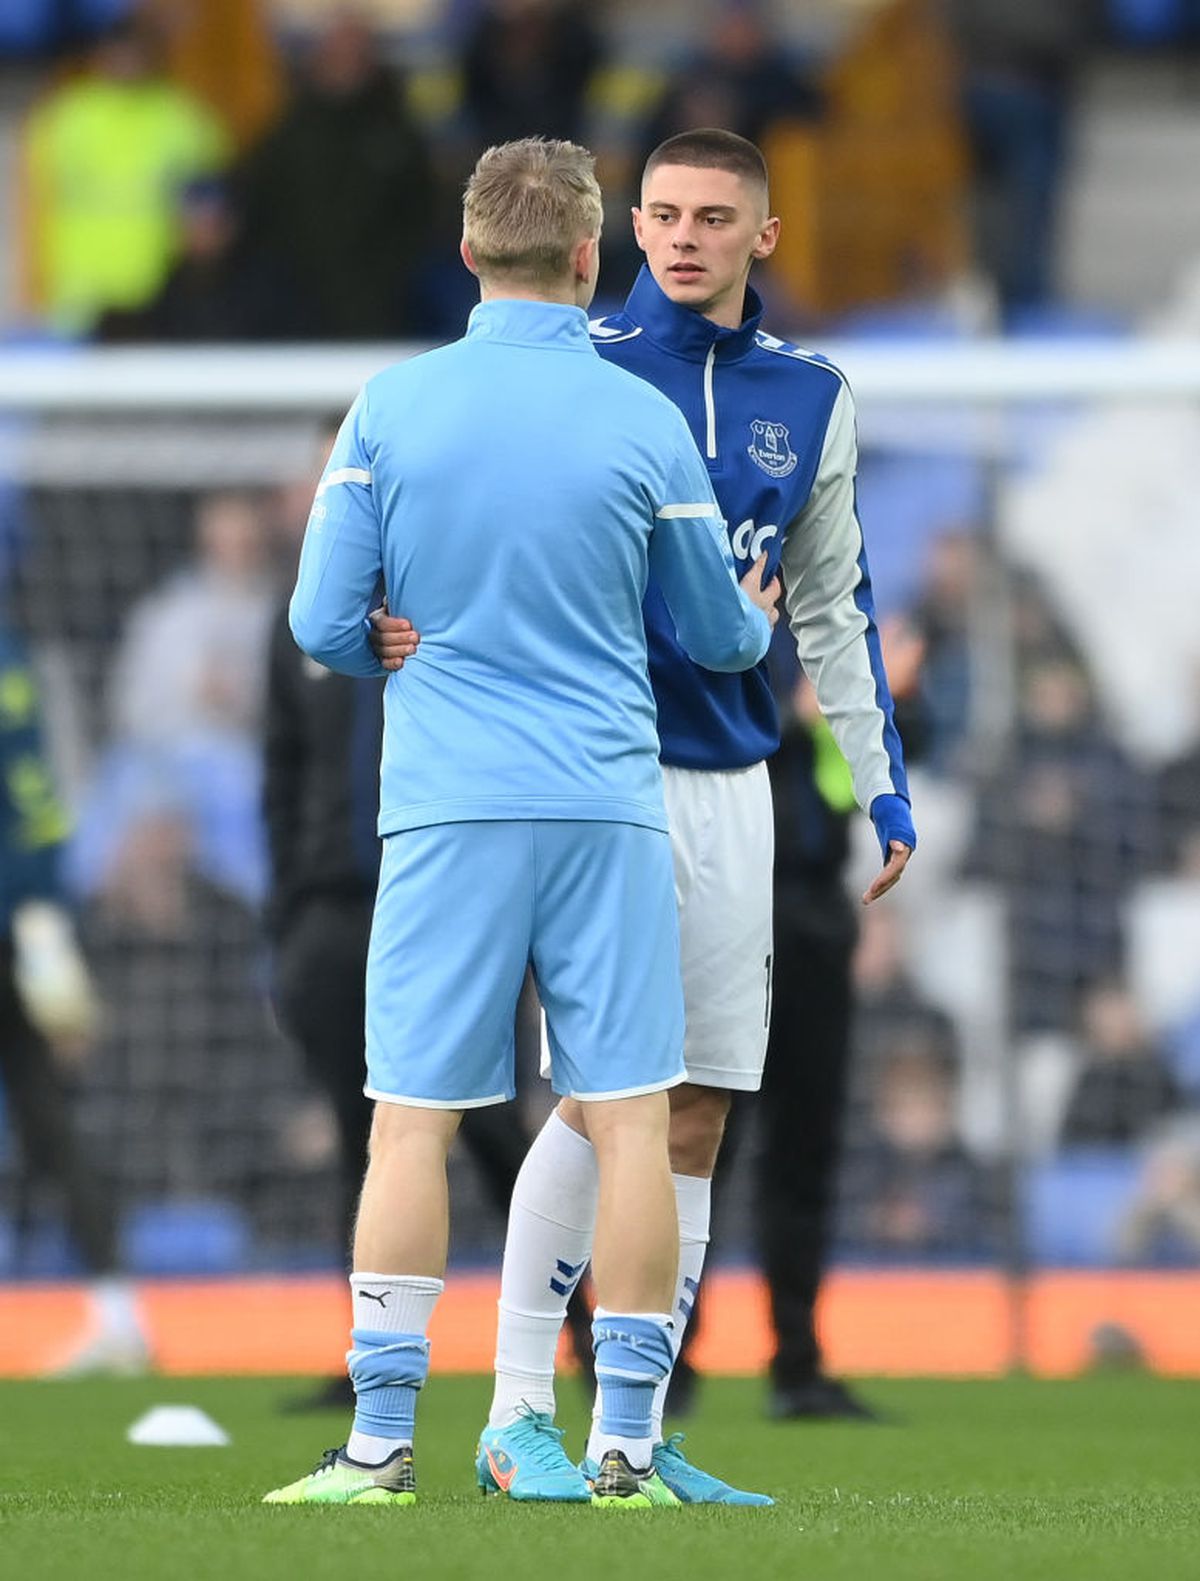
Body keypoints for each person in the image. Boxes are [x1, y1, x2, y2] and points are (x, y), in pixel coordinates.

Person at [373, 127, 916, 1502]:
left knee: (697, 1117)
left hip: (739, 783)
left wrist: (883, 771)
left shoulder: (813, 398)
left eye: (711, 217)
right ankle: (515, 1410)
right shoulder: (586, 371)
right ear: (624, 231)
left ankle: (628, 1435)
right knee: (610, 1104)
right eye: (662, 213)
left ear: (762, 237)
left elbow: (838, 606)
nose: (682, 236)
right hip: (599, 777)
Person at [262, 136, 775, 1510]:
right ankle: (620, 1447)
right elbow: (722, 636)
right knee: (625, 1123)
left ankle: (379, 1448)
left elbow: (319, 624)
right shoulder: (642, 421)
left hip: (448, 811)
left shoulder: (389, 407)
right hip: (606, 805)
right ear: (592, 257)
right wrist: (755, 614)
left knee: (411, 1122)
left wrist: (385, 644)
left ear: (471, 251)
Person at [0, 618, 149, 1372]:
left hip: (20, 914)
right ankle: (119, 1314)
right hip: (30, 917)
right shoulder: (17, 656)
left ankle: (120, 1317)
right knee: (50, 1121)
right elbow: (37, 796)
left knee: (50, 1119)